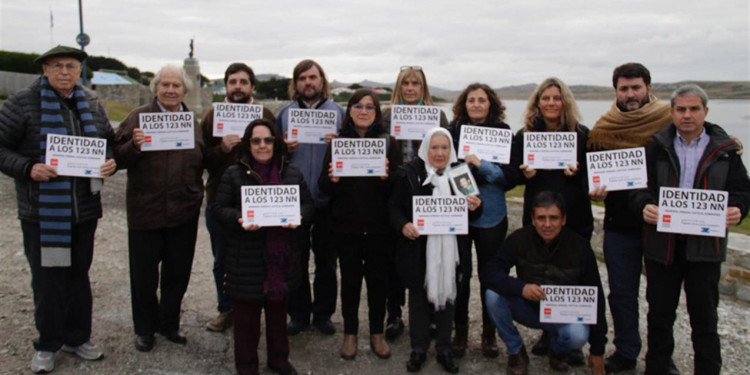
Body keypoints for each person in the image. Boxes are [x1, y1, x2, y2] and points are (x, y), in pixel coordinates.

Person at [0, 45, 115, 373]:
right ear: (45, 70)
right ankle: (48, 344)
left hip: (84, 211)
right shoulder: (22, 103)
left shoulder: (91, 103)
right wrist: (27, 168)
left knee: (79, 276)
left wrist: (112, 161)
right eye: (57, 66)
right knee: (48, 279)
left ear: (80, 71)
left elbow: (107, 141)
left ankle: (77, 337)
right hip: (43, 212)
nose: (65, 72)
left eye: (71, 66)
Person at [631, 84, 750, 375]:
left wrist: (738, 208)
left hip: (705, 249)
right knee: (659, 317)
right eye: (681, 109)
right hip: (663, 246)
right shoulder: (655, 147)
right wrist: (643, 205)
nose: (687, 115)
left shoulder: (726, 151)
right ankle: (657, 369)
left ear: (705, 112)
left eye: (694, 109)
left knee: (705, 320)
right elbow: (639, 189)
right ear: (671, 112)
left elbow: (742, 190)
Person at [587, 62, 671, 373]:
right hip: (620, 223)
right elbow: (591, 173)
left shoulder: (669, 122)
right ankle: (626, 350)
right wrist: (592, 190)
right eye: (624, 88)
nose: (631, 94)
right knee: (622, 293)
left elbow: (701, 135)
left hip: (663, 223)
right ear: (616, 92)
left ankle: (661, 358)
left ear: (649, 87)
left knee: (661, 297)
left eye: (636, 87)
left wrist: (731, 141)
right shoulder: (604, 128)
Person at [114, 65, 205, 352]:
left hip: (183, 211)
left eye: (176, 85)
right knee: (144, 276)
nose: (169, 90)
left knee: (177, 274)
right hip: (145, 211)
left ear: (185, 91)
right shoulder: (137, 118)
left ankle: (169, 324)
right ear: (155, 88)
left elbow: (202, 159)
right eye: (164, 84)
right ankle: (145, 329)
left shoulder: (192, 122)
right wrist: (134, 146)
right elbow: (116, 156)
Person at [212, 118, 312, 375]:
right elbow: (218, 208)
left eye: (268, 140)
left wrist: (298, 217)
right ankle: (246, 366)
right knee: (246, 319)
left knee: (278, 315)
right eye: (256, 140)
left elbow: (308, 205)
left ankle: (279, 359)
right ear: (248, 144)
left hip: (280, 259)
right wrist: (238, 219)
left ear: (276, 142)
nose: (262, 145)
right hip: (245, 257)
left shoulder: (292, 172)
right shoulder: (234, 173)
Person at [510, 77, 592, 363]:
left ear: (565, 101)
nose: (551, 103)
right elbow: (513, 174)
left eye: (557, 98)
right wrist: (525, 173)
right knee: (540, 273)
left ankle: (574, 340)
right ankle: (548, 332)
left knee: (574, 276)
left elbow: (593, 181)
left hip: (575, 218)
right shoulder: (525, 135)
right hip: (539, 218)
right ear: (537, 103)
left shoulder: (582, 135)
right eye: (545, 98)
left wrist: (578, 173)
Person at [481, 191, 606, 375]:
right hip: (527, 307)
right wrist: (521, 288)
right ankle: (516, 351)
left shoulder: (581, 247)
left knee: (578, 335)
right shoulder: (519, 239)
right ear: (532, 219)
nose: (547, 224)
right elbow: (490, 272)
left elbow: (596, 298)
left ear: (563, 219)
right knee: (492, 296)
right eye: (541, 218)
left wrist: (597, 350)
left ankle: (557, 349)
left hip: (562, 314)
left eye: (553, 218)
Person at [389, 127, 482, 373]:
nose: (439, 153)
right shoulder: (409, 173)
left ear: (451, 150)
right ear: (425, 149)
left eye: (444, 148)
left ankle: (444, 348)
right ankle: (418, 348)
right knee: (418, 298)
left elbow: (476, 211)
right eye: (434, 148)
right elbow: (394, 208)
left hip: (452, 249)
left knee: (448, 296)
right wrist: (403, 225)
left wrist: (474, 206)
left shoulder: (461, 173)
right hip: (418, 248)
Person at [319, 89, 402, 360]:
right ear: (350, 111)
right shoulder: (337, 144)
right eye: (358, 106)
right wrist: (331, 179)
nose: (363, 111)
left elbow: (397, 190)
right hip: (346, 227)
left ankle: (376, 334)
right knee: (351, 282)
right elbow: (323, 186)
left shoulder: (390, 143)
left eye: (369, 107)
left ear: (377, 113)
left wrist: (386, 178)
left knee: (378, 283)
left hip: (379, 228)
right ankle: (350, 334)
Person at [447, 83, 520, 358]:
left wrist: (482, 165)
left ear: (491, 104)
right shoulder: (454, 131)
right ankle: (460, 330)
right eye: (471, 100)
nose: (476, 104)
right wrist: (466, 176)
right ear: (464, 104)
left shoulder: (503, 132)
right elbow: (445, 167)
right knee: (461, 274)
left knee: (490, 275)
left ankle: (489, 333)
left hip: (493, 215)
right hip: (459, 213)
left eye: (482, 100)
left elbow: (511, 177)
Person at [202, 63, 276, 332]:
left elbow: (276, 155)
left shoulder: (265, 114)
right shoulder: (212, 116)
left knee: (260, 258)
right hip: (221, 201)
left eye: (243, 82)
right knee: (222, 259)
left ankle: (260, 308)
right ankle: (226, 308)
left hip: (260, 201)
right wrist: (221, 148)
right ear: (226, 85)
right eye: (233, 82)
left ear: (252, 87)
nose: (238, 87)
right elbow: (201, 158)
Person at [276, 59, 345, 336]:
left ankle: (323, 314)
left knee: (327, 262)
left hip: (329, 199)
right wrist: (283, 148)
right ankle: (299, 313)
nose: (308, 82)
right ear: (296, 83)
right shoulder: (284, 114)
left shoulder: (339, 113)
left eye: (313, 77)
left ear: (322, 80)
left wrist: (339, 142)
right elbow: (268, 153)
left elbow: (353, 152)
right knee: (295, 259)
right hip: (295, 198)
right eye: (302, 78)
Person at [381, 66, 449, 340]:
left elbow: (445, 149)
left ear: (423, 88)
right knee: (393, 256)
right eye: (405, 83)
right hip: (396, 187)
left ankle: (430, 314)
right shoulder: (388, 115)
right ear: (399, 86)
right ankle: (394, 313)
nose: (410, 88)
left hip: (428, 188)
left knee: (427, 252)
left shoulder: (438, 115)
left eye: (415, 83)